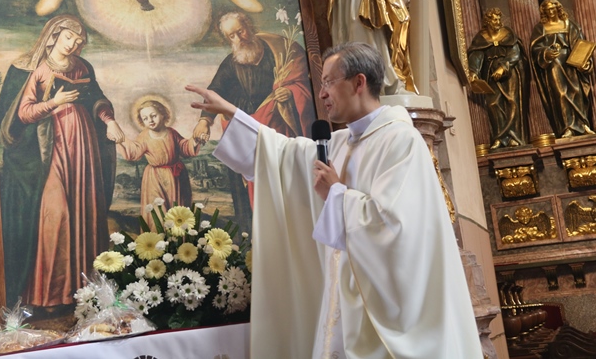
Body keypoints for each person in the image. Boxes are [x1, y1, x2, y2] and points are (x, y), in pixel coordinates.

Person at [186, 42, 483, 358]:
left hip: (386, 314)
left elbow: (395, 226)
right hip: (343, 304)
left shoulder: (400, 140)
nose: (322, 93)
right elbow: (281, 154)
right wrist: (231, 112)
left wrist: (335, 194)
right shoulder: (340, 142)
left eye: (329, 82)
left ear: (359, 82)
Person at [0, 15, 124, 309]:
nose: (73, 45)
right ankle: (49, 295)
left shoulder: (82, 67)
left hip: (82, 144)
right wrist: (55, 102)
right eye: (69, 38)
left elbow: (96, 99)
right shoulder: (34, 68)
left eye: (78, 42)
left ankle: (83, 293)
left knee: (84, 210)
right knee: (57, 213)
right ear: (54, 35)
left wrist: (109, 120)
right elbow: (22, 114)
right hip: (47, 146)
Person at [192, 11, 316, 216]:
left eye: (240, 31)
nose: (239, 38)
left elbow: (304, 83)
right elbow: (215, 91)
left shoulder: (278, 52)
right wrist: (205, 121)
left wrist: (290, 92)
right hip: (245, 134)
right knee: (254, 193)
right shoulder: (231, 63)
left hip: (279, 128)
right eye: (232, 36)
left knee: (285, 185)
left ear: (249, 26)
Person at [117, 99, 204, 227]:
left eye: (153, 116)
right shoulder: (144, 136)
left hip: (175, 176)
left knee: (176, 209)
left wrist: (195, 141)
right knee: (157, 210)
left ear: (163, 114)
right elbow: (134, 151)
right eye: (145, 118)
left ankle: (177, 237)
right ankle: (157, 236)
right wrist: (121, 141)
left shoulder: (171, 133)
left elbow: (184, 147)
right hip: (154, 178)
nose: (150, 120)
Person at [530, 0, 595, 138]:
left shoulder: (569, 24)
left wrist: (584, 62)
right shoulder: (540, 28)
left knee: (577, 92)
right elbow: (535, 48)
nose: (551, 12)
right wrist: (546, 53)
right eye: (548, 10)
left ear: (558, 9)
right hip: (554, 64)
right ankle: (568, 126)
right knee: (560, 93)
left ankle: (583, 124)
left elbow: (580, 44)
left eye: (553, 9)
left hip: (572, 62)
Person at [468, 7, 528, 149]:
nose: (498, 22)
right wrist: (474, 72)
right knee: (493, 104)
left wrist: (503, 67)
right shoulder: (480, 38)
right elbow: (476, 56)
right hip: (490, 74)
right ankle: (500, 138)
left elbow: (515, 53)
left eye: (499, 19)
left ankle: (513, 136)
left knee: (512, 102)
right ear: (488, 21)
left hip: (510, 74)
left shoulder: (508, 34)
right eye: (494, 19)